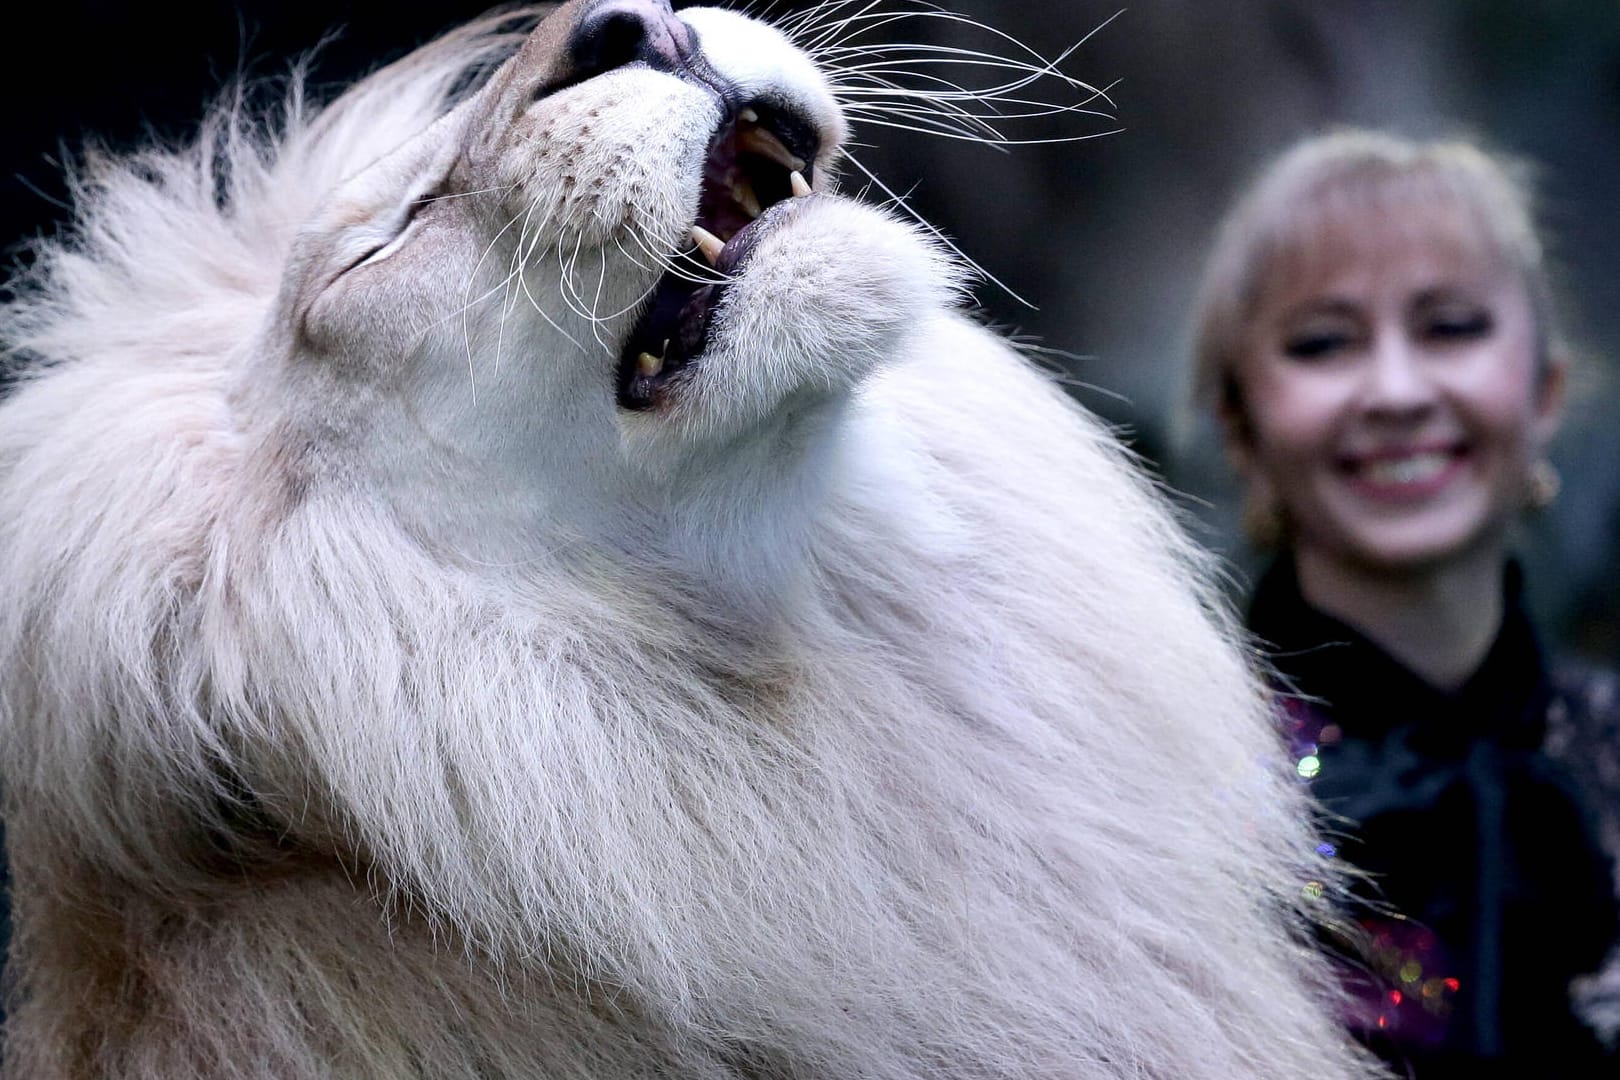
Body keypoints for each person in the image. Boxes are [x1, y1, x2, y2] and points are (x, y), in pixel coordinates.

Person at [1189, 129, 1620, 1078]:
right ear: (1241, 424)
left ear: (1544, 392)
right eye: (1323, 342)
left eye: (1451, 327)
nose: (1394, 391)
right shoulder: (1168, 790)